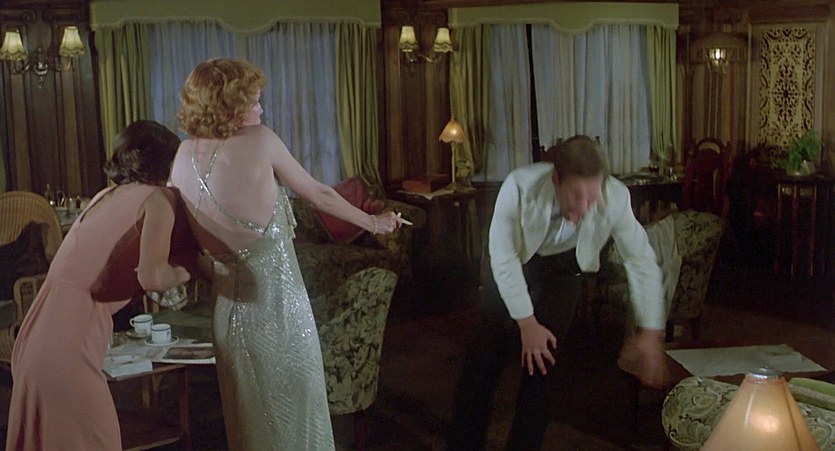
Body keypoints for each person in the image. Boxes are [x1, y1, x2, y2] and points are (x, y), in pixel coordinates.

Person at [170, 58, 405, 450]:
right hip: (278, 310)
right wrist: (374, 223)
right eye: (253, 101)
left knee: (248, 426)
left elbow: (190, 241)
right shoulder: (260, 141)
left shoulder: (181, 156)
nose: (261, 110)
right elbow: (319, 194)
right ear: (230, 105)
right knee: (296, 422)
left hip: (226, 316)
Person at [447, 135, 668, 450]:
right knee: (484, 358)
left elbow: (641, 262)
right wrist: (527, 323)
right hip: (517, 260)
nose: (585, 206)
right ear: (555, 179)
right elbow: (504, 258)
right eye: (575, 194)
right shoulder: (519, 187)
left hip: (565, 268)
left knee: (543, 364)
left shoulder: (615, 196)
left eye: (592, 196)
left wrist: (651, 331)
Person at [6, 120, 197, 451]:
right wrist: (189, 269)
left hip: (34, 335)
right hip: (67, 346)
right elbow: (153, 277)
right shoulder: (159, 199)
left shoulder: (104, 196)